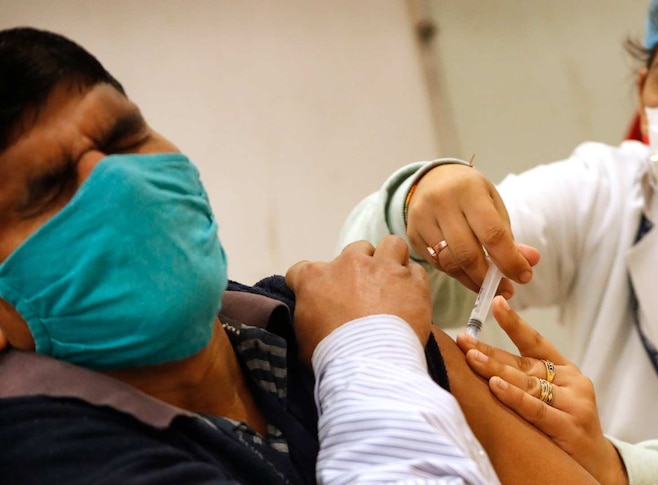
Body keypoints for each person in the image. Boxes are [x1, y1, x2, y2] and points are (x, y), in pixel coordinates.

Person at [340, 0, 658, 483]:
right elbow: (374, 288)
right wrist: (413, 207)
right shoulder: (604, 189)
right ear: (643, 92)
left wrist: (616, 468)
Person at [0, 26, 504, 484]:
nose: (123, 186)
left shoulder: (298, 313)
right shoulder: (41, 459)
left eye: (122, 137)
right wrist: (369, 348)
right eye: (48, 189)